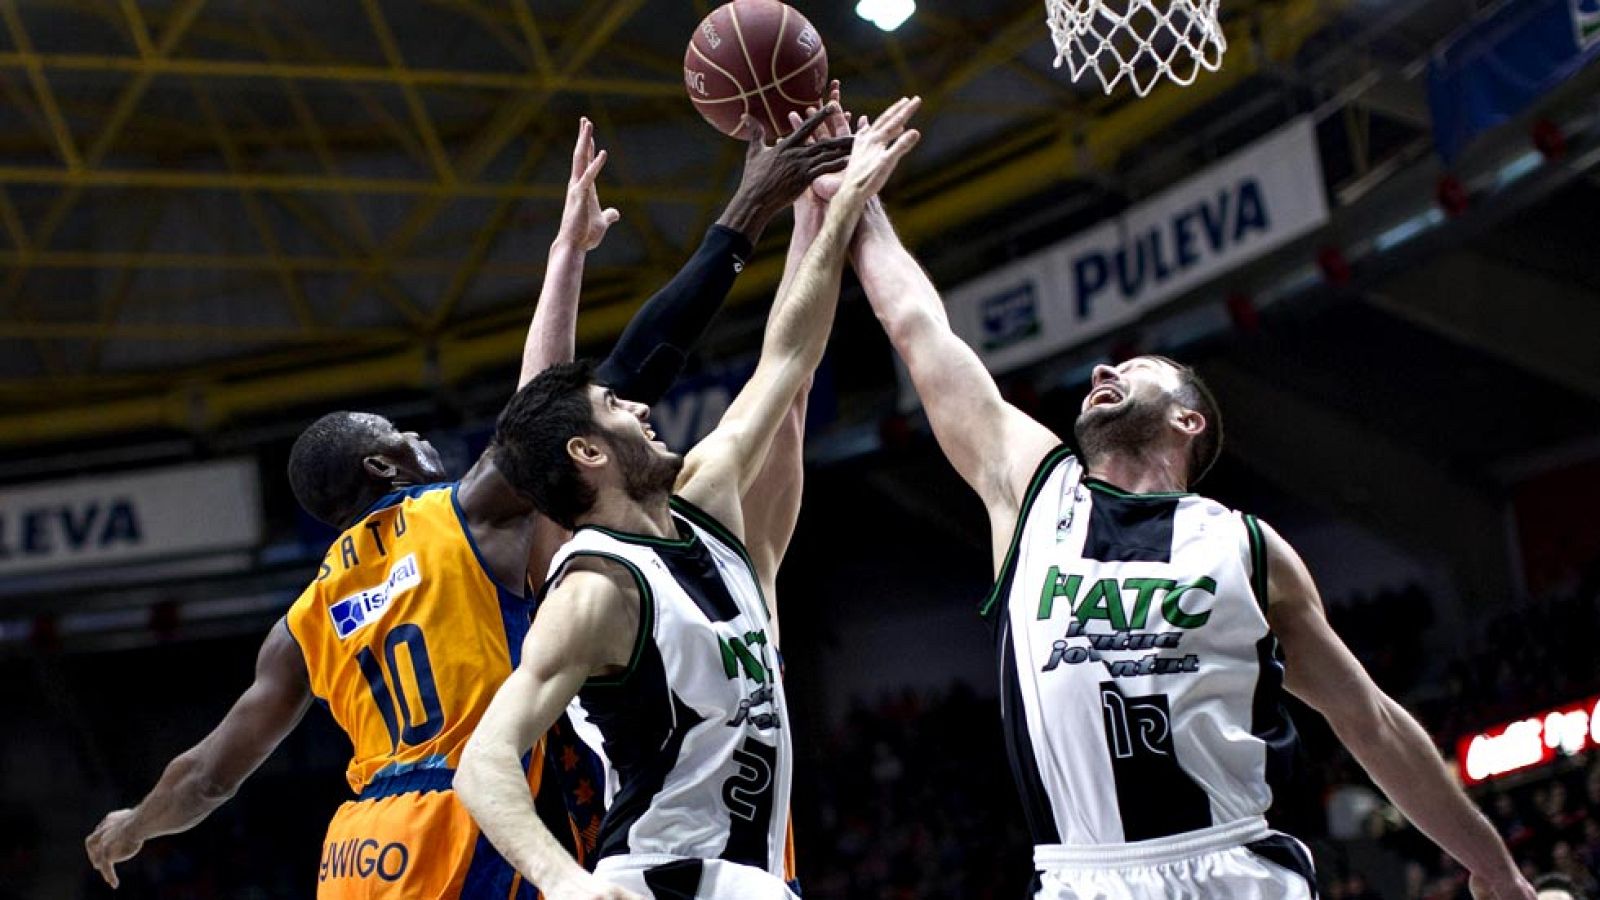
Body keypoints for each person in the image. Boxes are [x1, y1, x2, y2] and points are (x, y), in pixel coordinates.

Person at [83, 112, 851, 898]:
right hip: (470, 820)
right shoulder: (460, 515)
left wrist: (135, 823)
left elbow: (210, 776)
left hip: (361, 854)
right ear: (385, 465)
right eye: (406, 435)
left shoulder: (306, 619)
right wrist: (740, 218)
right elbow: (571, 403)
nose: (427, 445)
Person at [847, 155, 1536, 898]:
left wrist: (1493, 866)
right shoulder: (1033, 492)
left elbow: (1369, 721)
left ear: (1187, 417)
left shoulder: (1247, 547)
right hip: (1085, 878)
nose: (1101, 375)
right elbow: (919, 330)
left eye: (1134, 369)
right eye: (1103, 372)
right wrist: (857, 200)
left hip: (1230, 866)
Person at [451, 96, 922, 900]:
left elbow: (785, 359)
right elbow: (483, 762)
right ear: (589, 453)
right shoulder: (596, 586)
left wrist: (834, 213)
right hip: (662, 881)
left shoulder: (702, 503)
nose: (640, 404)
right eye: (616, 408)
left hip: (759, 880)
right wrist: (564, 884)